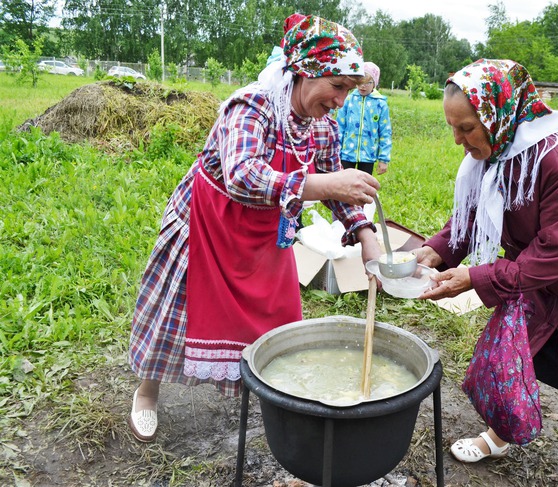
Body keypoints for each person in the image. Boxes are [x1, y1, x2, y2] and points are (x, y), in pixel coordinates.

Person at [127, 13, 382, 443]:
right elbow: (242, 174)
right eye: (336, 86)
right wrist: (320, 185)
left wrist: (367, 236)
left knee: (280, 319)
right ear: (304, 71)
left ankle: (279, 399)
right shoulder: (253, 105)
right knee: (178, 312)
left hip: (265, 233)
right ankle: (147, 392)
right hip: (208, 223)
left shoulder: (323, 127)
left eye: (349, 90)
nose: (341, 99)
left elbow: (337, 187)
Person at [414, 59, 558, 487]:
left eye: (466, 128)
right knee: (519, 349)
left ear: (497, 113)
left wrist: (478, 277)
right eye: (453, 127)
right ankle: (498, 435)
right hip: (540, 262)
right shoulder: (501, 144)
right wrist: (435, 251)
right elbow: (474, 213)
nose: (457, 140)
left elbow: (557, 250)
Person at [336, 61, 392, 175]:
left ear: (374, 84)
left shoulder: (380, 104)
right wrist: (335, 151)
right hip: (346, 153)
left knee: (364, 187)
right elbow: (339, 127)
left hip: (368, 154)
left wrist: (384, 159)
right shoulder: (348, 100)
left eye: (367, 83)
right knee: (344, 186)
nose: (363, 86)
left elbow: (385, 132)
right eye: (360, 82)